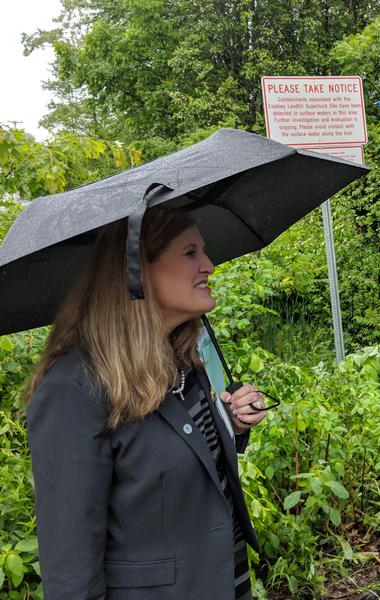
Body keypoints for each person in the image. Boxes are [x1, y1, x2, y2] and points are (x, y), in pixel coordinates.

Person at [25, 206, 268, 599]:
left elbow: (182, 456)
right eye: (190, 253)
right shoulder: (74, 388)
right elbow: (70, 567)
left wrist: (232, 424)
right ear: (137, 271)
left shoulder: (183, 358)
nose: (209, 265)